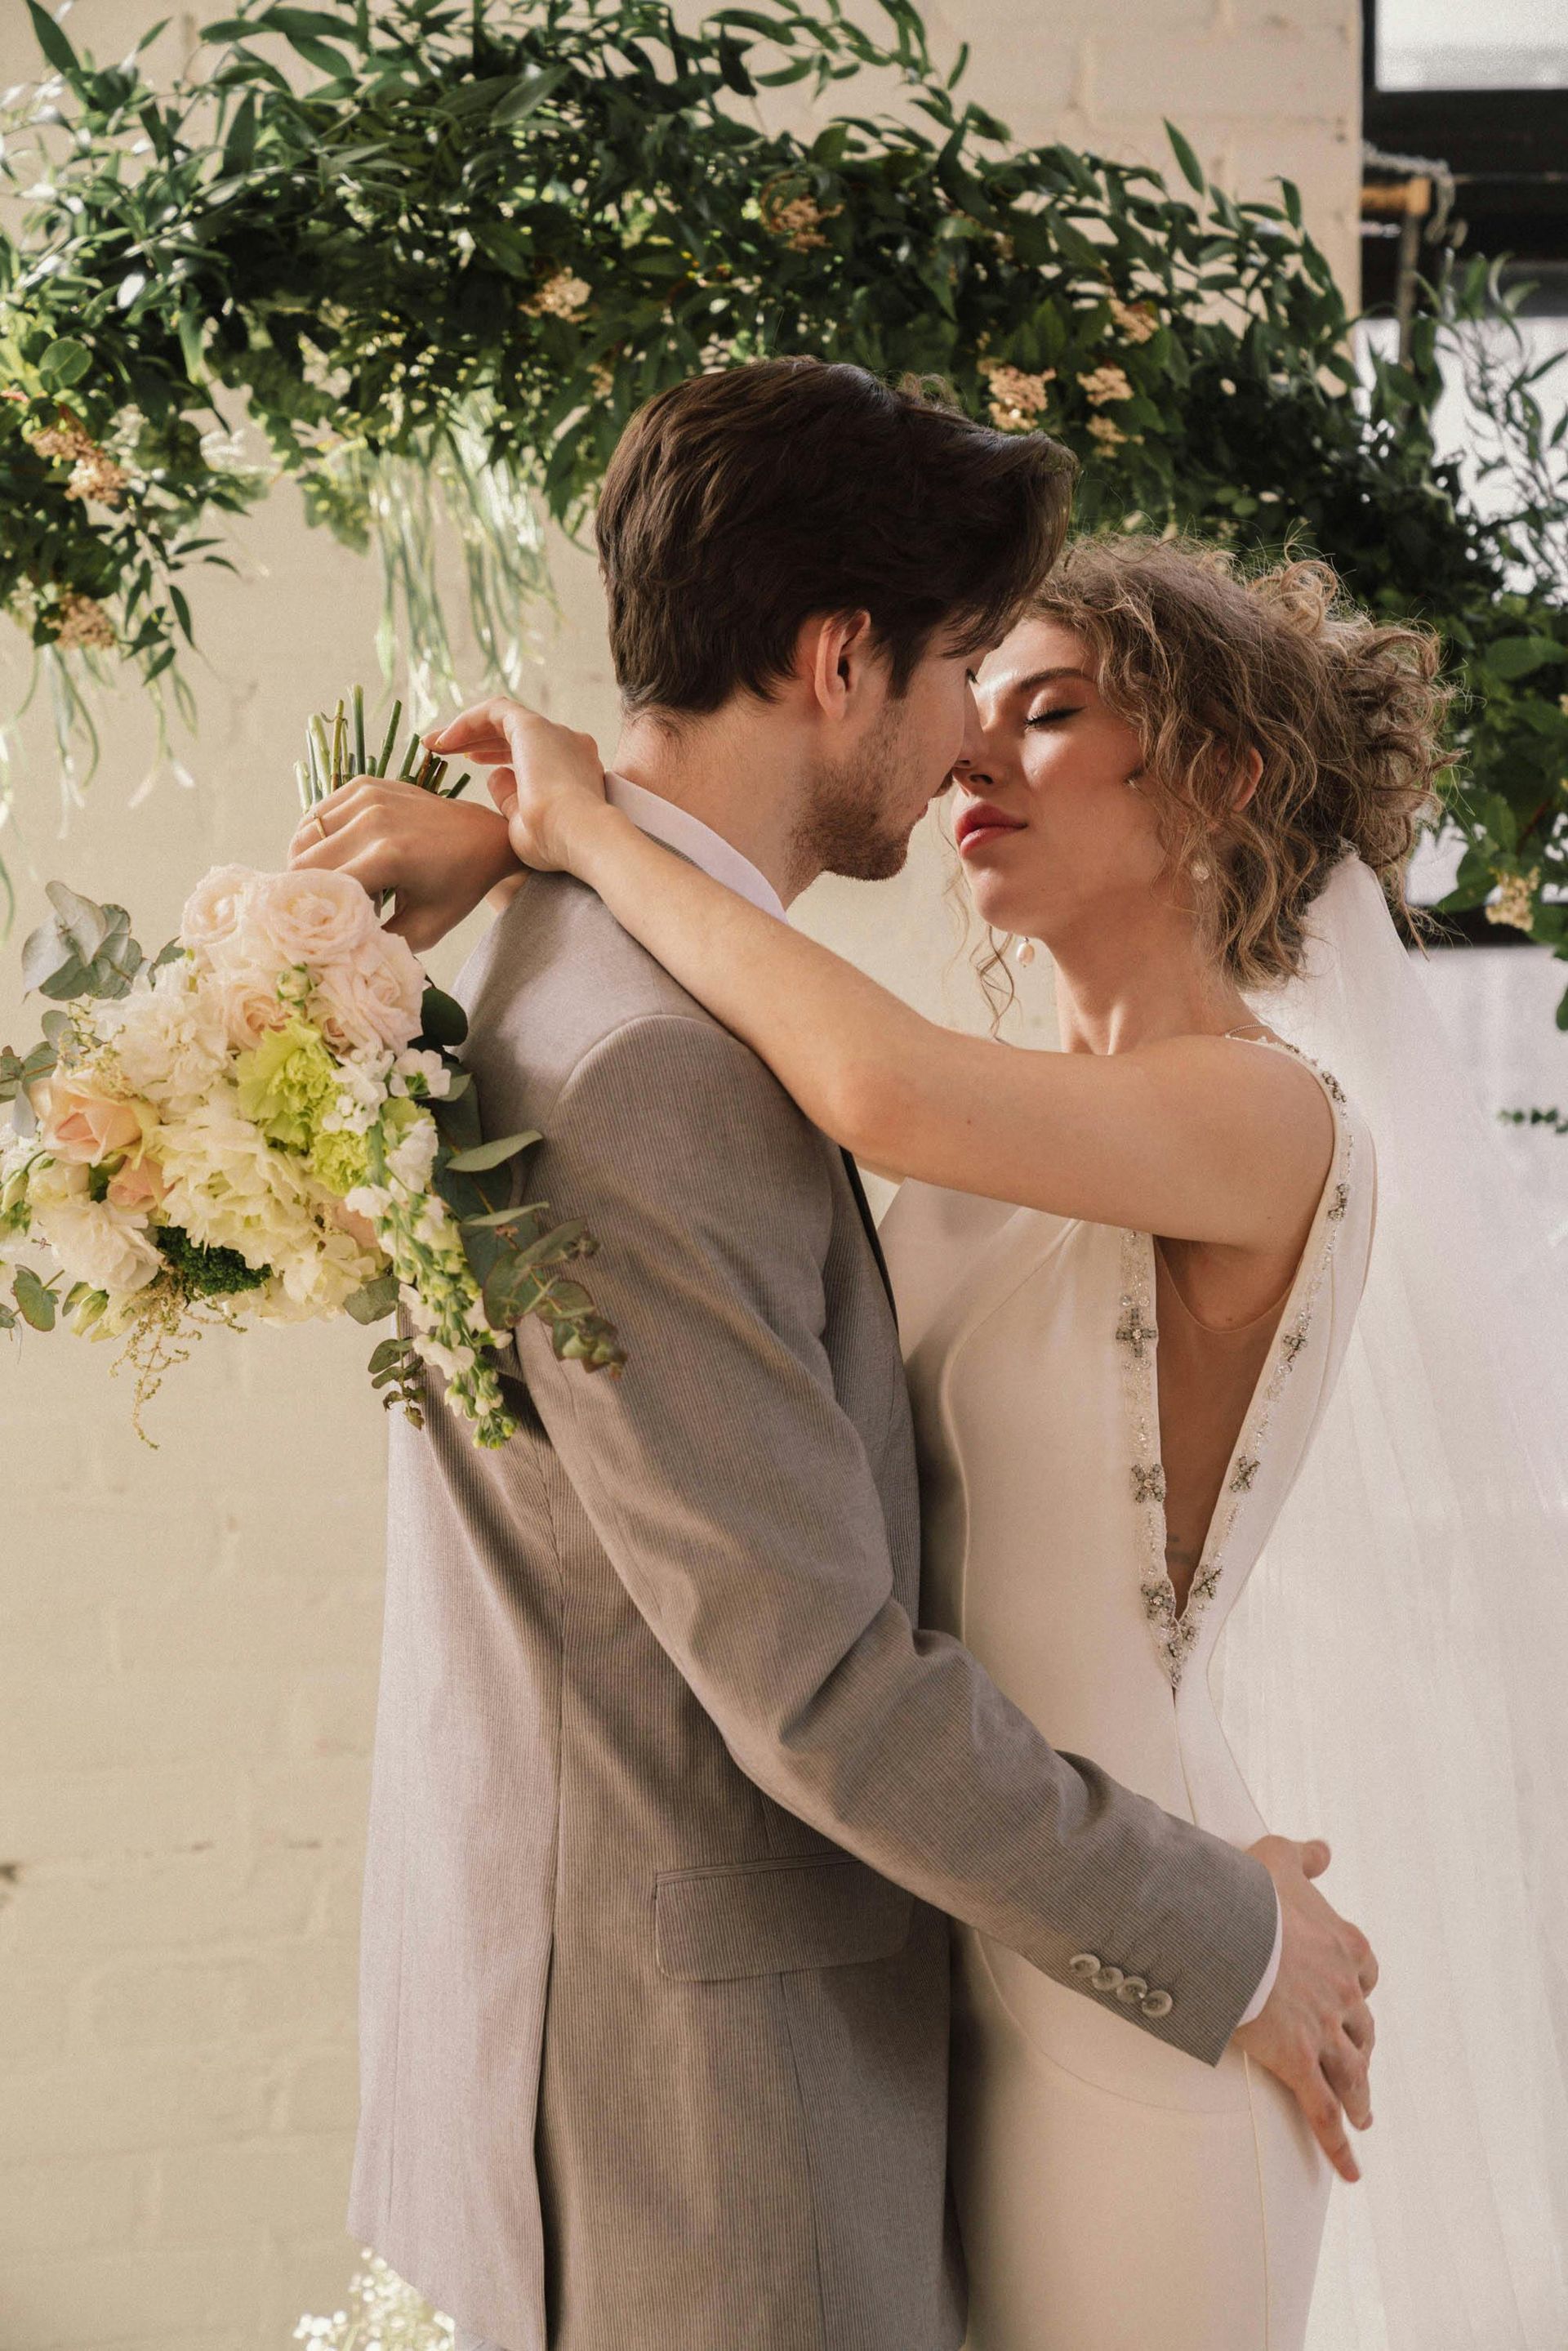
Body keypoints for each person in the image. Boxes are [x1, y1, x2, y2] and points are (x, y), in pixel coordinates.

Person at [291, 364, 1379, 2351]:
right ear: (840, 653)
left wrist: (566, 831)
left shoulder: (1187, 1106)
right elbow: (812, 1672)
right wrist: (562, 836)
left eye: (1053, 710)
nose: (977, 740)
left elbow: (874, 1086)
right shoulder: (657, 1061)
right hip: (889, 1987)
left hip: (1047, 1927)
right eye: (977, 667)